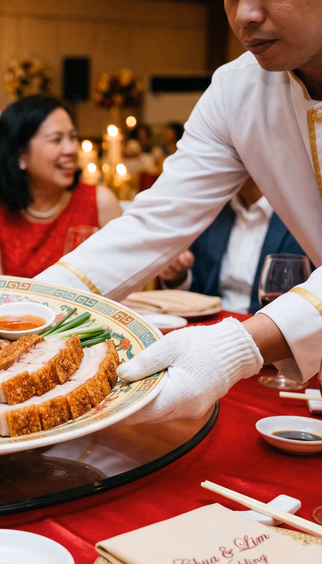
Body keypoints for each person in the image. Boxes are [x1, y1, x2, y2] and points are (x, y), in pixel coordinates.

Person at [35, 0, 322, 425]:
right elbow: (156, 221)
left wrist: (236, 347)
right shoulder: (236, 88)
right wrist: (33, 306)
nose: (244, 15)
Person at [0, 95, 122, 278]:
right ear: (21, 155)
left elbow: (127, 280)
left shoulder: (100, 202)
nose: (71, 149)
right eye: (56, 140)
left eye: (72, 137)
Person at [159, 177, 307, 314]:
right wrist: (178, 277)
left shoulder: (303, 214)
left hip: (272, 332)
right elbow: (200, 292)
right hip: (212, 326)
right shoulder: (212, 211)